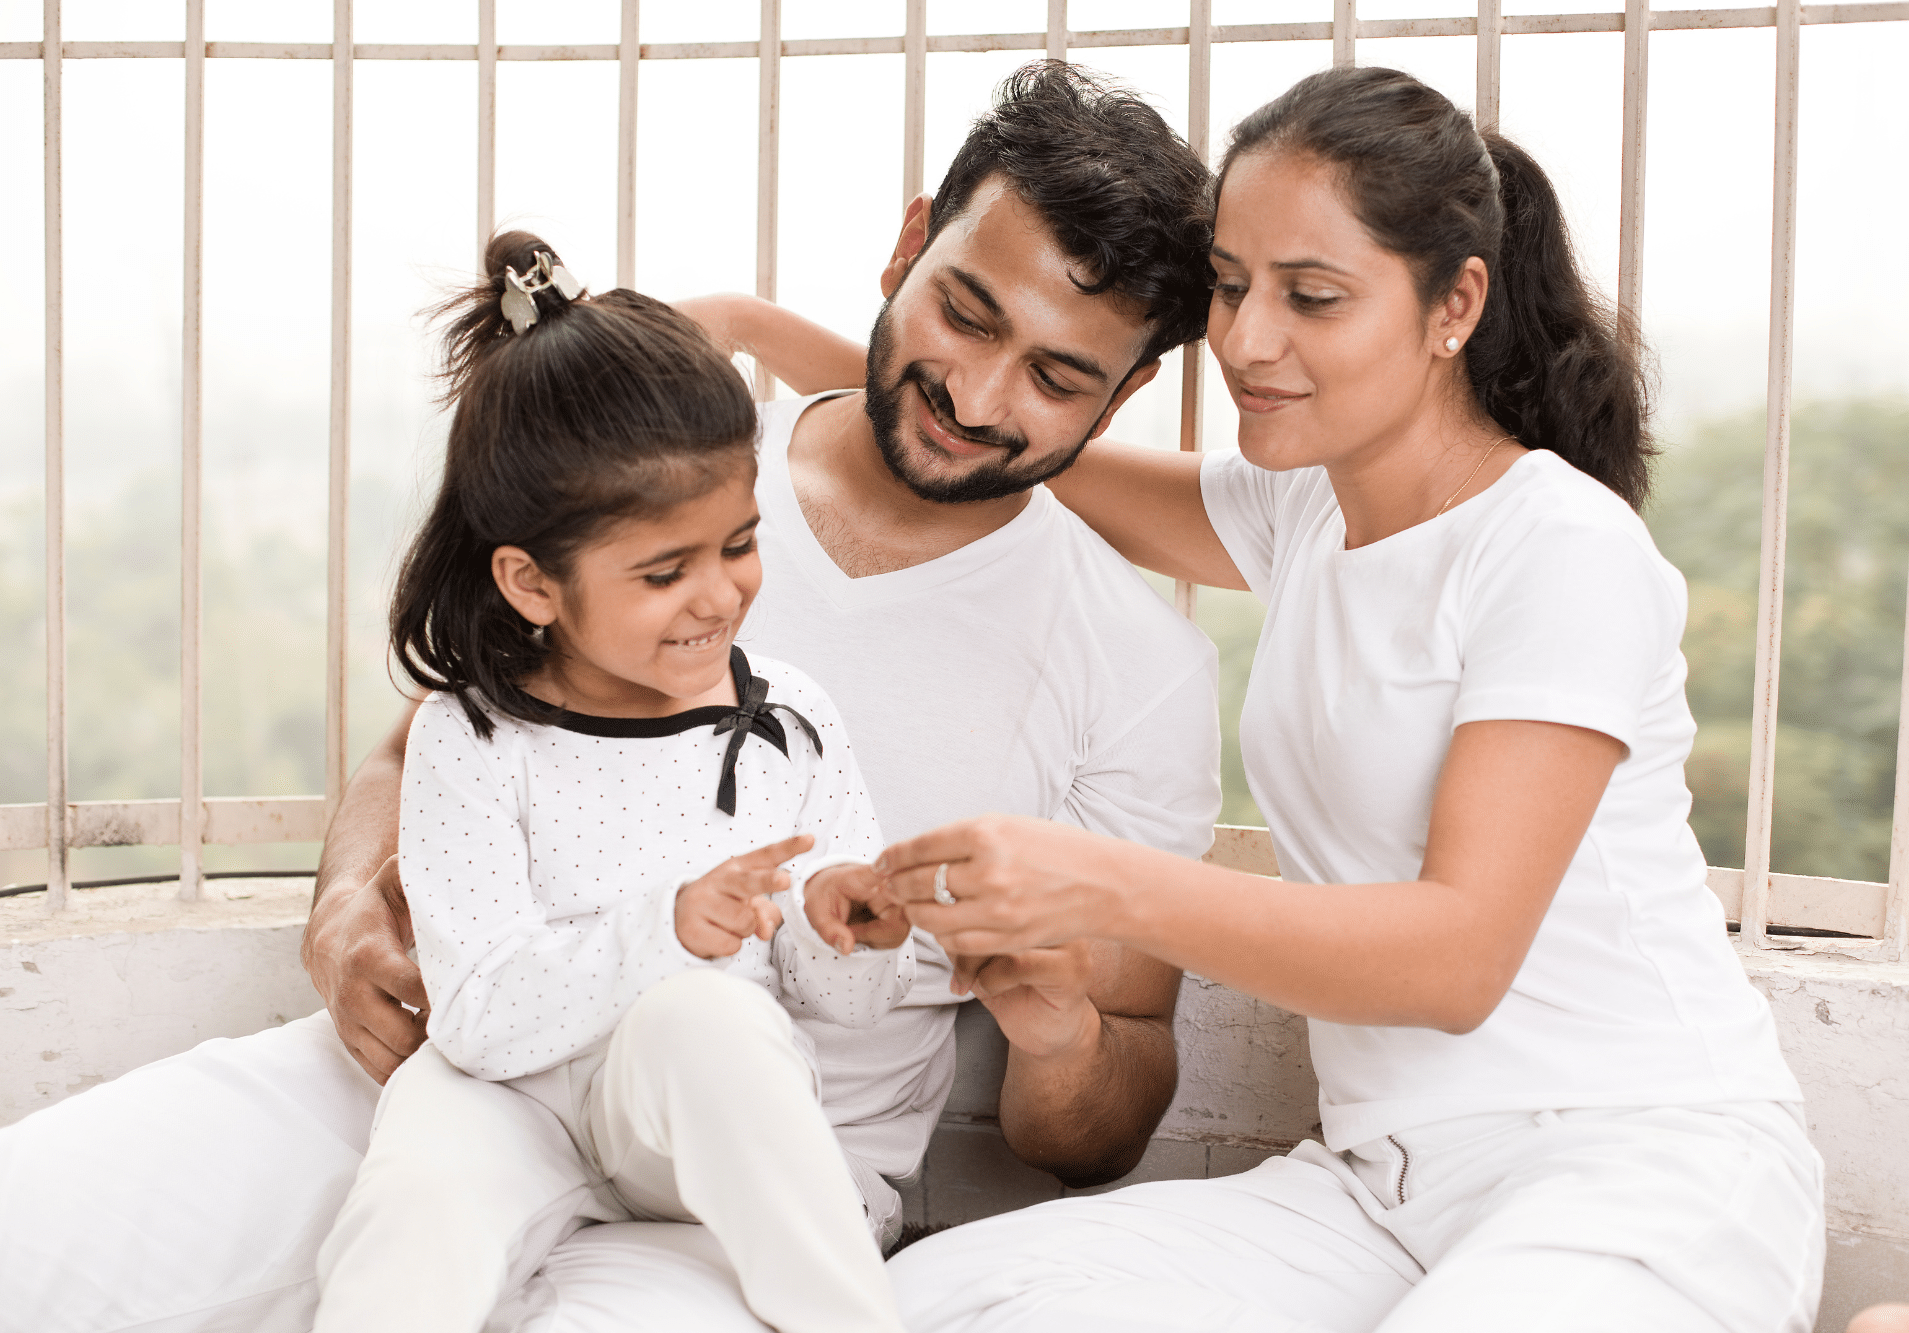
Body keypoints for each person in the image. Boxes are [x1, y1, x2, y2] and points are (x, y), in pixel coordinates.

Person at [0, 63, 1221, 1333]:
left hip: (757, 1176)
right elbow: (440, 728)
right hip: (464, 1068)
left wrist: (1059, 1026)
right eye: (966, 315)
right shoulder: (670, 457)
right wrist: (347, 899)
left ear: (1127, 394)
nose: (977, 396)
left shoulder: (1135, 671)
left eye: (1057, 378)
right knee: (35, 1221)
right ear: (907, 245)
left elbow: (1106, 1115)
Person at [870, 66, 1825, 1331]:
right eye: (1227, 284)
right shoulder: (1301, 509)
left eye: (1309, 297)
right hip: (1380, 1185)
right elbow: (1025, 431)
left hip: (1638, 1159)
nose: (1246, 340)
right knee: (930, 1301)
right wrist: (742, 328)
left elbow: (1455, 957)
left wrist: (1095, 883)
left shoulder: (1557, 545)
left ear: (1455, 305)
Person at [311, 234, 916, 1333]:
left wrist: (849, 931)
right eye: (662, 571)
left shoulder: (789, 720)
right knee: (418, 1180)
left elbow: (846, 1013)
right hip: (514, 1100)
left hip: (685, 1115)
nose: (718, 595)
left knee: (709, 1021)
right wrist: (670, 926)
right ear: (531, 582)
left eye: (737, 544)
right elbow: (481, 1020)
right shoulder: (473, 735)